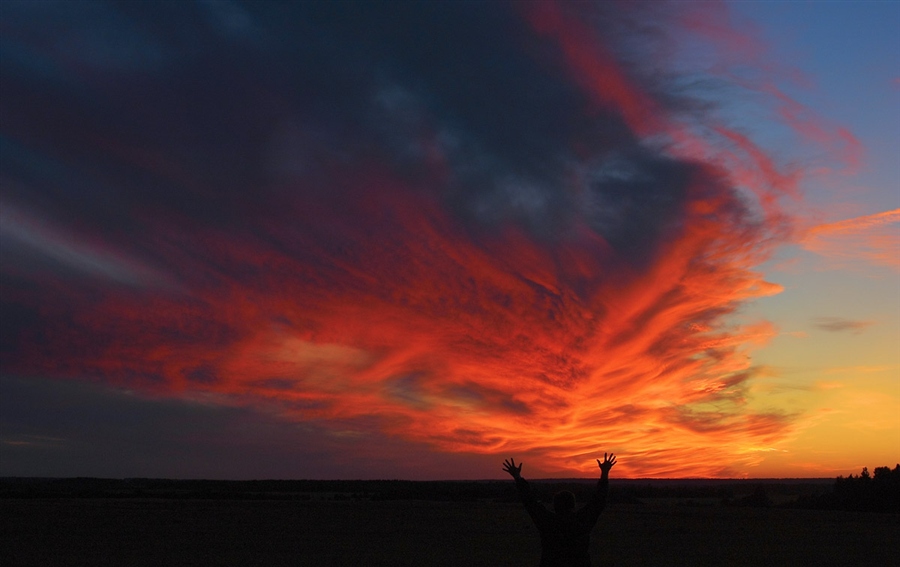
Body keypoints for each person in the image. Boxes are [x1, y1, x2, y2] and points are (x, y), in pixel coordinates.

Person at [503, 453, 617, 567]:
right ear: (573, 505)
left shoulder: (548, 522)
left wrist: (517, 477)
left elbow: (529, 501)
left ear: (555, 506)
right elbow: (598, 501)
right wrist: (605, 473)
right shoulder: (582, 521)